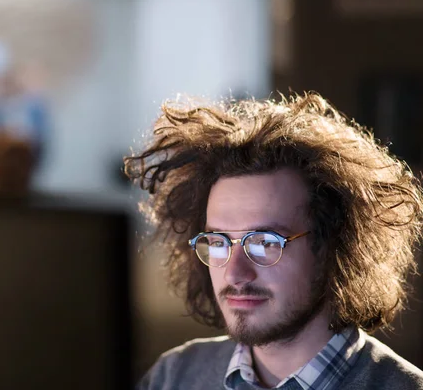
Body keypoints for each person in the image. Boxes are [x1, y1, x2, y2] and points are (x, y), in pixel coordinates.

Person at [124, 93, 423, 389]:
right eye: (218, 242)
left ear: (333, 245)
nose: (234, 273)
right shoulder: (174, 376)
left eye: (265, 242)